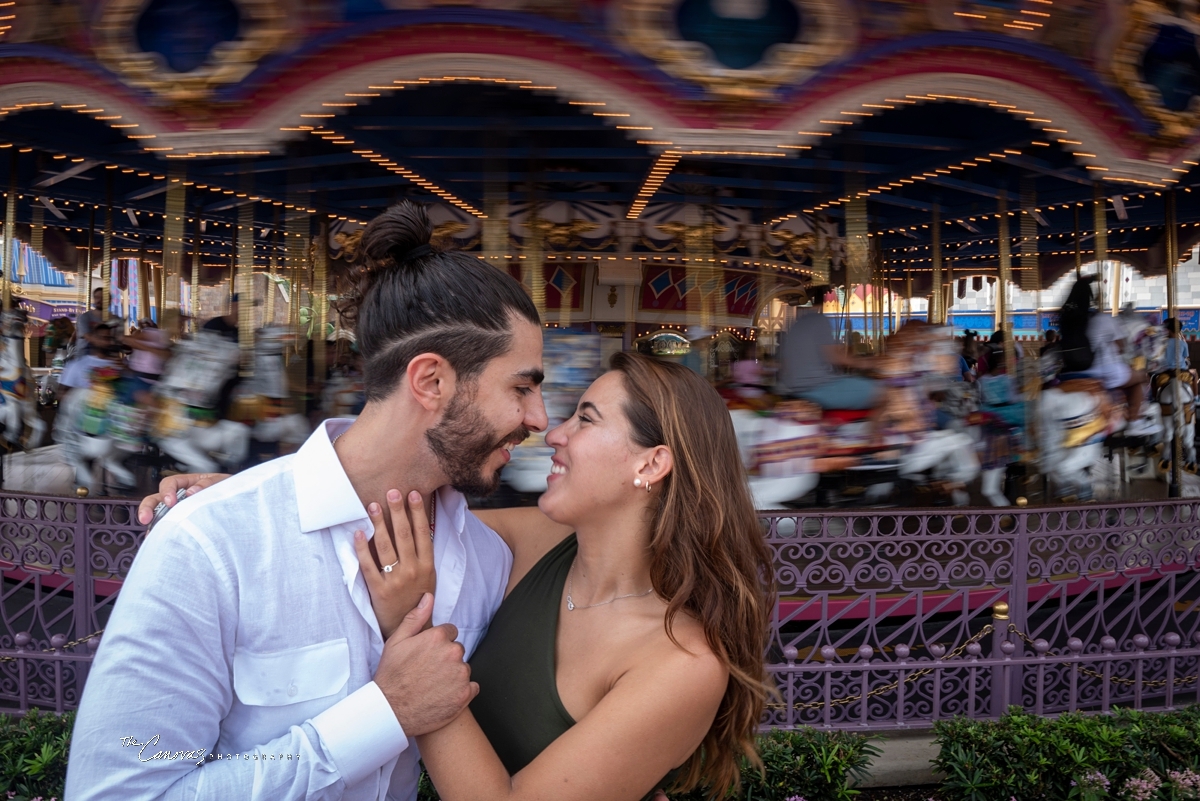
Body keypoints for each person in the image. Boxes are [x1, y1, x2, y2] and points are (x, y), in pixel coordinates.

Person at [67, 201, 550, 801]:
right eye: (522, 387)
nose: (540, 419)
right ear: (430, 382)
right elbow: (121, 790)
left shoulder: (484, 558)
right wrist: (384, 715)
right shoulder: (211, 545)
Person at [137, 351, 773, 801]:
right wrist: (252, 500)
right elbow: (368, 519)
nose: (554, 431)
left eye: (586, 418)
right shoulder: (540, 544)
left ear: (653, 463)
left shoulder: (683, 663)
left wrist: (414, 647)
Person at [1058, 276, 1154, 436]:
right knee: (1141, 377)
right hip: (1102, 370)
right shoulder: (1103, 318)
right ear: (1091, 299)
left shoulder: (1069, 320)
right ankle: (1135, 422)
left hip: (1070, 371)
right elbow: (1122, 347)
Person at [776, 284, 881, 410]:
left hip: (793, 387)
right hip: (817, 388)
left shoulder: (795, 324)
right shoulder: (819, 320)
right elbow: (835, 358)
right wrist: (870, 363)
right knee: (882, 390)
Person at [73, 287, 105, 356]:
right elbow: (88, 336)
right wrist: (109, 343)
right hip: (85, 352)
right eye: (97, 297)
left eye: (103, 298)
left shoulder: (113, 318)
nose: (99, 300)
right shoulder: (84, 317)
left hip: (104, 354)